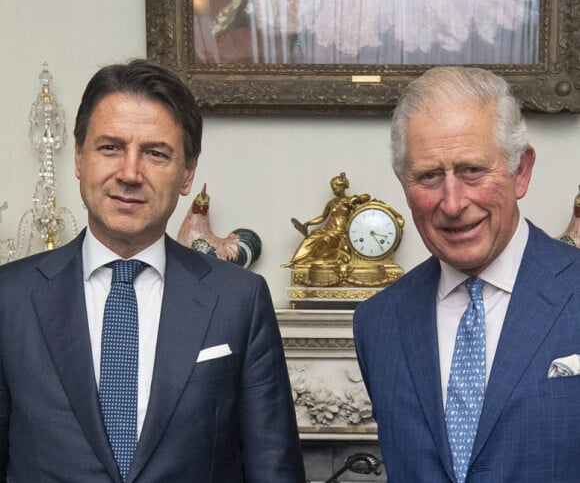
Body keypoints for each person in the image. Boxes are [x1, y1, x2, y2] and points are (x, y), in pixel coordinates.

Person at [0, 59, 306, 482]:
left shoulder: (240, 300)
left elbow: (275, 469)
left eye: (155, 153)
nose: (129, 173)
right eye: (110, 147)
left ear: (186, 173)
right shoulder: (9, 299)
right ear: (78, 158)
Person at [354, 66, 580, 482]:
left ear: (521, 171)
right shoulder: (377, 322)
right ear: (404, 184)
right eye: (429, 176)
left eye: (472, 170)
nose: (453, 203)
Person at [282, 172, 370, 267]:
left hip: (341, 232)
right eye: (333, 189)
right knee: (311, 237)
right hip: (329, 230)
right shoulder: (331, 203)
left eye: (335, 189)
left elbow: (367, 197)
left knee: (325, 239)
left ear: (342, 187)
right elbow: (322, 217)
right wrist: (308, 223)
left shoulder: (350, 200)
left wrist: (356, 199)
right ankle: (295, 261)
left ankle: (318, 262)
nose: (333, 192)